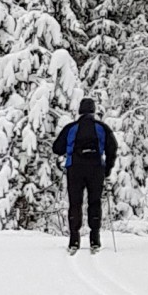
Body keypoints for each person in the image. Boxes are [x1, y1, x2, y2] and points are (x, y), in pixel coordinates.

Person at [53, 96, 118, 254]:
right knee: (94, 203)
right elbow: (112, 147)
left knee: (75, 203)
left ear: (80, 111)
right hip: (96, 169)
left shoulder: (71, 128)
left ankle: (74, 240)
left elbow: (57, 148)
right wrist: (108, 168)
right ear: (94, 111)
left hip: (75, 169)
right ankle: (94, 239)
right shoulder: (102, 128)